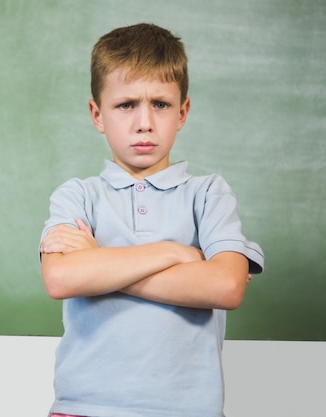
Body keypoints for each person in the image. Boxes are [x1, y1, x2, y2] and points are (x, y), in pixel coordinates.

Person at [40, 23, 264, 417]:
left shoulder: (208, 194)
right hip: (84, 406)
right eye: (126, 105)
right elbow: (62, 278)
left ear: (183, 112)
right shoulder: (78, 195)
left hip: (189, 410)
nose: (144, 122)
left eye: (160, 104)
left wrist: (102, 262)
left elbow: (227, 286)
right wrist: (177, 253)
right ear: (97, 114)